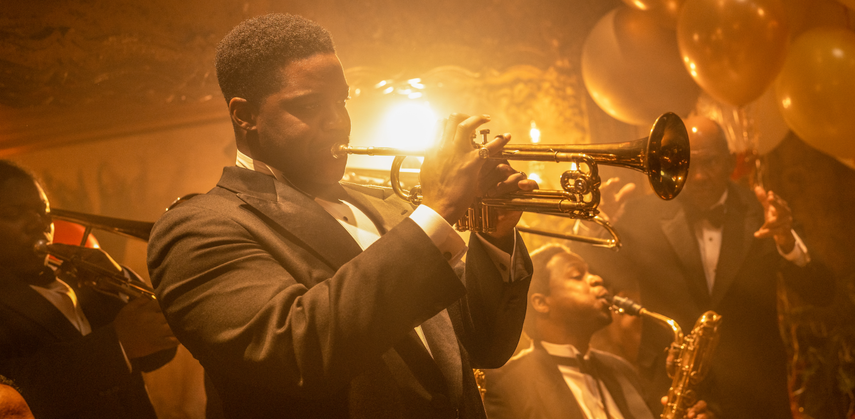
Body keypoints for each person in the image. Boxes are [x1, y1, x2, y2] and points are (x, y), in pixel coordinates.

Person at [147, 13, 536, 419]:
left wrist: (493, 234)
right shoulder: (198, 228)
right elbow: (297, 354)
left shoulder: (389, 206)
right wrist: (438, 210)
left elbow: (486, 347)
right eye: (310, 105)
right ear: (245, 115)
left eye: (341, 102)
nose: (338, 123)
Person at [571, 116, 835, 419]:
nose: (698, 177)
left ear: (730, 161)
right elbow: (599, 276)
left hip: (755, 391)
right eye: (687, 165)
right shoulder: (640, 213)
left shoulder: (762, 211)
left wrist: (788, 243)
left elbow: (822, 292)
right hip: (671, 384)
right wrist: (594, 226)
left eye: (710, 162)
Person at [0, 160, 178, 419]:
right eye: (14, 213)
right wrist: (118, 345)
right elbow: (12, 394)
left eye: (43, 211)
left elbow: (157, 354)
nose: (38, 223)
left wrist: (120, 278)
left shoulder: (79, 278)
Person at [484, 244, 712, 419]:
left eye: (590, 272)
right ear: (541, 303)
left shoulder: (622, 369)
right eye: (577, 275)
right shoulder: (505, 383)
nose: (596, 279)